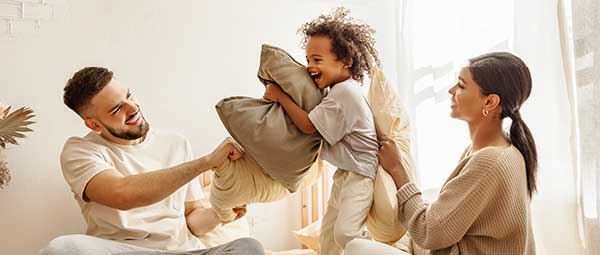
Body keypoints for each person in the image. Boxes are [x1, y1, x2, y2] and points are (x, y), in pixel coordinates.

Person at [41, 67, 264, 255]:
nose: (133, 108)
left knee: (249, 246)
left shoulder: (176, 143)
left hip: (180, 251)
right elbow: (123, 193)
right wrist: (205, 163)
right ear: (94, 125)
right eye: (117, 109)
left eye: (128, 95)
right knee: (61, 248)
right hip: (122, 251)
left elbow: (191, 220)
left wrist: (219, 212)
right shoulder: (80, 151)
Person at [344, 52, 538, 254]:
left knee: (354, 248)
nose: (451, 90)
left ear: (489, 102)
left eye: (461, 86)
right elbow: (445, 223)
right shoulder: (501, 149)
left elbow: (429, 232)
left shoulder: (490, 161)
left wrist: (397, 169)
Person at [263, 7, 380, 255]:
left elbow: (307, 126)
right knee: (328, 238)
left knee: (346, 234)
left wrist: (280, 96)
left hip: (361, 173)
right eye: (307, 60)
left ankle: (376, 249)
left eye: (317, 60)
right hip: (345, 172)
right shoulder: (337, 91)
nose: (309, 67)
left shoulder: (345, 93)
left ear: (346, 61)